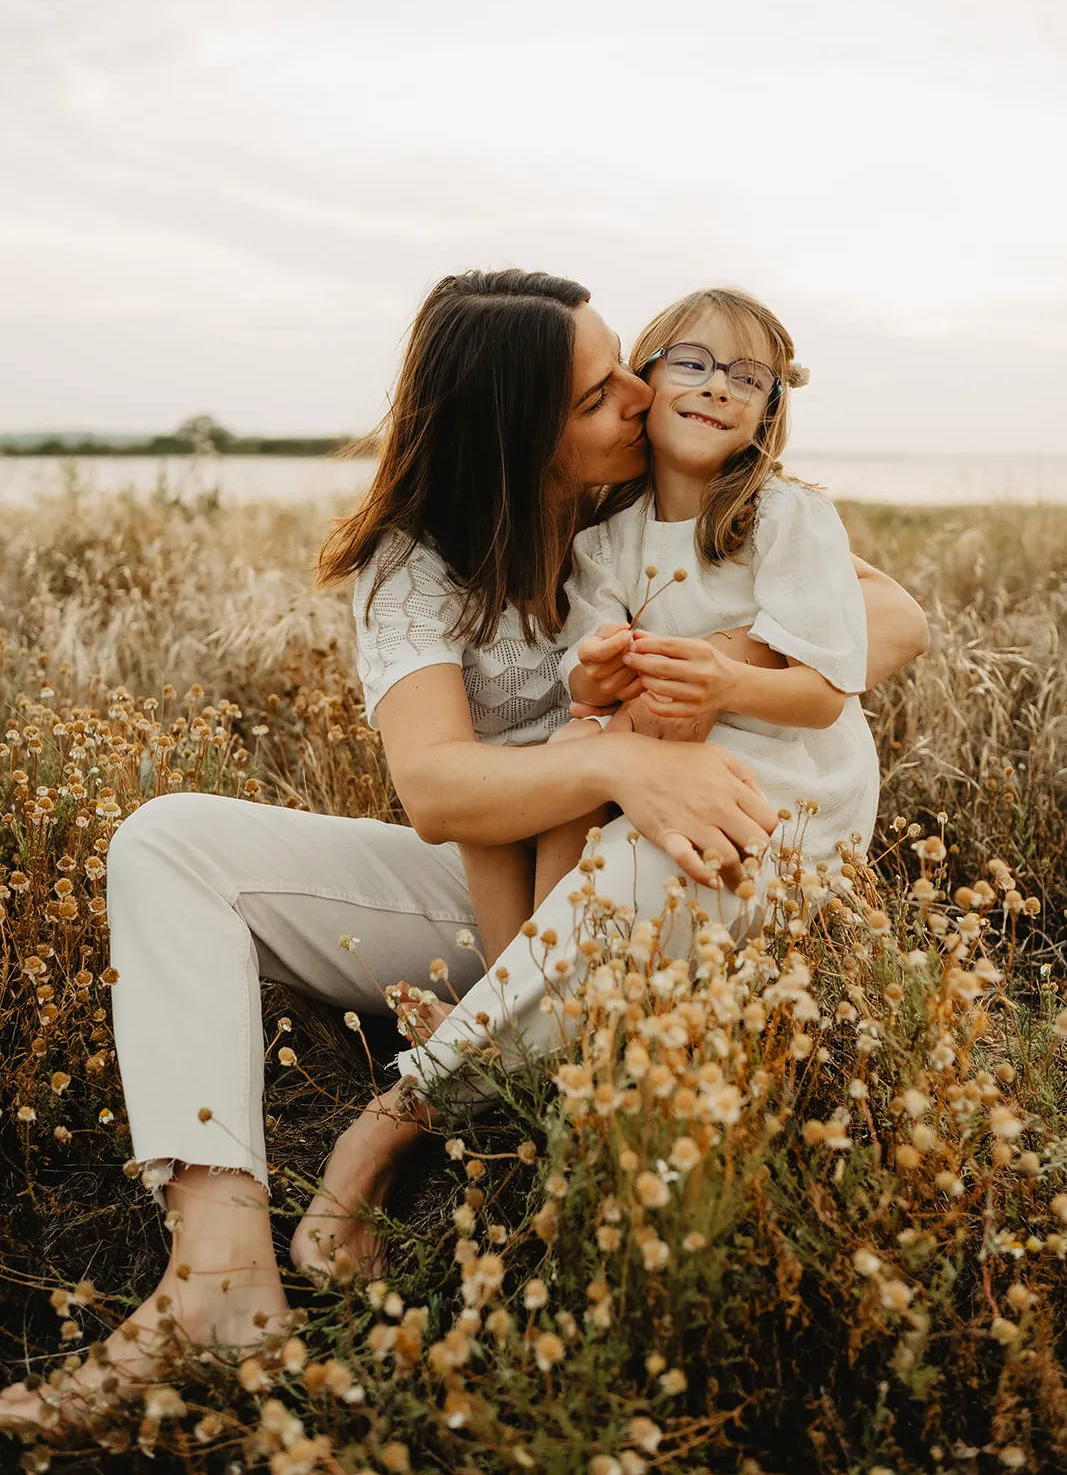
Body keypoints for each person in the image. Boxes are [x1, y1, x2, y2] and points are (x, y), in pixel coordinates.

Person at [0, 270, 927, 1435]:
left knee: (655, 863)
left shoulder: (667, 481)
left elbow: (891, 618)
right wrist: (609, 759)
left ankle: (434, 1092)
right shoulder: (417, 565)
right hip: (515, 881)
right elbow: (438, 789)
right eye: (602, 391)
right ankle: (220, 1268)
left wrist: (695, 665)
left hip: (677, 875)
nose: (642, 393)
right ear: (522, 431)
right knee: (167, 838)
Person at [465, 285, 879, 936]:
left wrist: (727, 682)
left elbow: (822, 697)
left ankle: (535, 989)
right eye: (692, 362)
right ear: (643, 381)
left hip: (784, 765)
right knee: (572, 746)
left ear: (765, 412)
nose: (719, 387)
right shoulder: (604, 536)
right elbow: (583, 663)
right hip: (667, 746)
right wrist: (593, 674)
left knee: (618, 812)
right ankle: (530, 962)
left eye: (747, 378)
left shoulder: (786, 517)